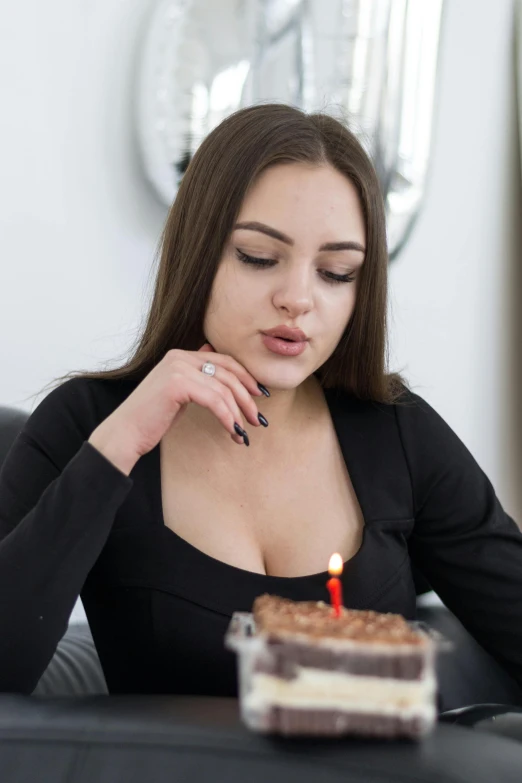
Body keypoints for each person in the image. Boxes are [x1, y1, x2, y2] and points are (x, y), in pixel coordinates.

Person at [1, 103, 522, 701]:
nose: (298, 298)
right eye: (258, 257)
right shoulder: (88, 422)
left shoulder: (400, 434)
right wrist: (122, 442)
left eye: (336, 272)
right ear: (198, 254)